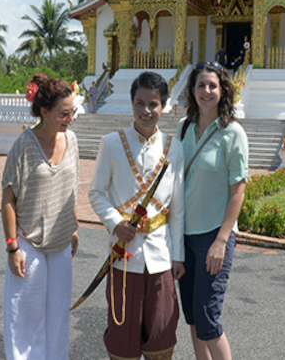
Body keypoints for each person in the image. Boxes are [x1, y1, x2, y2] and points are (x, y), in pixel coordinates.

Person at [89, 71, 185, 360]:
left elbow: (177, 209)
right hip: (124, 257)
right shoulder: (111, 143)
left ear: (164, 106)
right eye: (140, 103)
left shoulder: (174, 148)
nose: (146, 110)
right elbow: (96, 193)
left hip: (161, 257)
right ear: (131, 104)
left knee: (161, 335)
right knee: (122, 338)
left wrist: (177, 255)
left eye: (153, 104)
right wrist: (115, 222)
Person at [1, 73, 80, 360]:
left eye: (73, 111)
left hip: (60, 242)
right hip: (28, 242)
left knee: (58, 316)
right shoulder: (24, 144)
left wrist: (74, 227)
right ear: (44, 112)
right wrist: (12, 246)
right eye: (64, 113)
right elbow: (8, 198)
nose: (70, 118)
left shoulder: (71, 140)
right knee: (26, 317)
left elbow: (70, 189)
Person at [177, 61, 248, 360]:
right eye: (200, 85)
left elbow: (238, 190)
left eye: (212, 85)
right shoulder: (184, 128)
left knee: (208, 319)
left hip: (212, 237)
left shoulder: (232, 133)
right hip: (184, 235)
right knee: (193, 317)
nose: (206, 91)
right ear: (192, 90)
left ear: (223, 91)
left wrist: (221, 240)